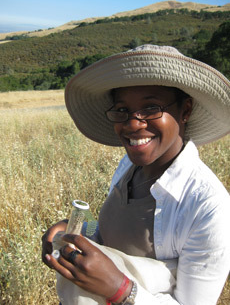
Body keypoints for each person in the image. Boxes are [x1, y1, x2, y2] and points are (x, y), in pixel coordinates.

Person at [42, 44, 230, 304]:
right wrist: (77, 232)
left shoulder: (208, 206)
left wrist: (119, 290)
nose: (132, 123)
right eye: (122, 110)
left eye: (151, 108)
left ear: (185, 110)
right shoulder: (128, 169)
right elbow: (110, 235)